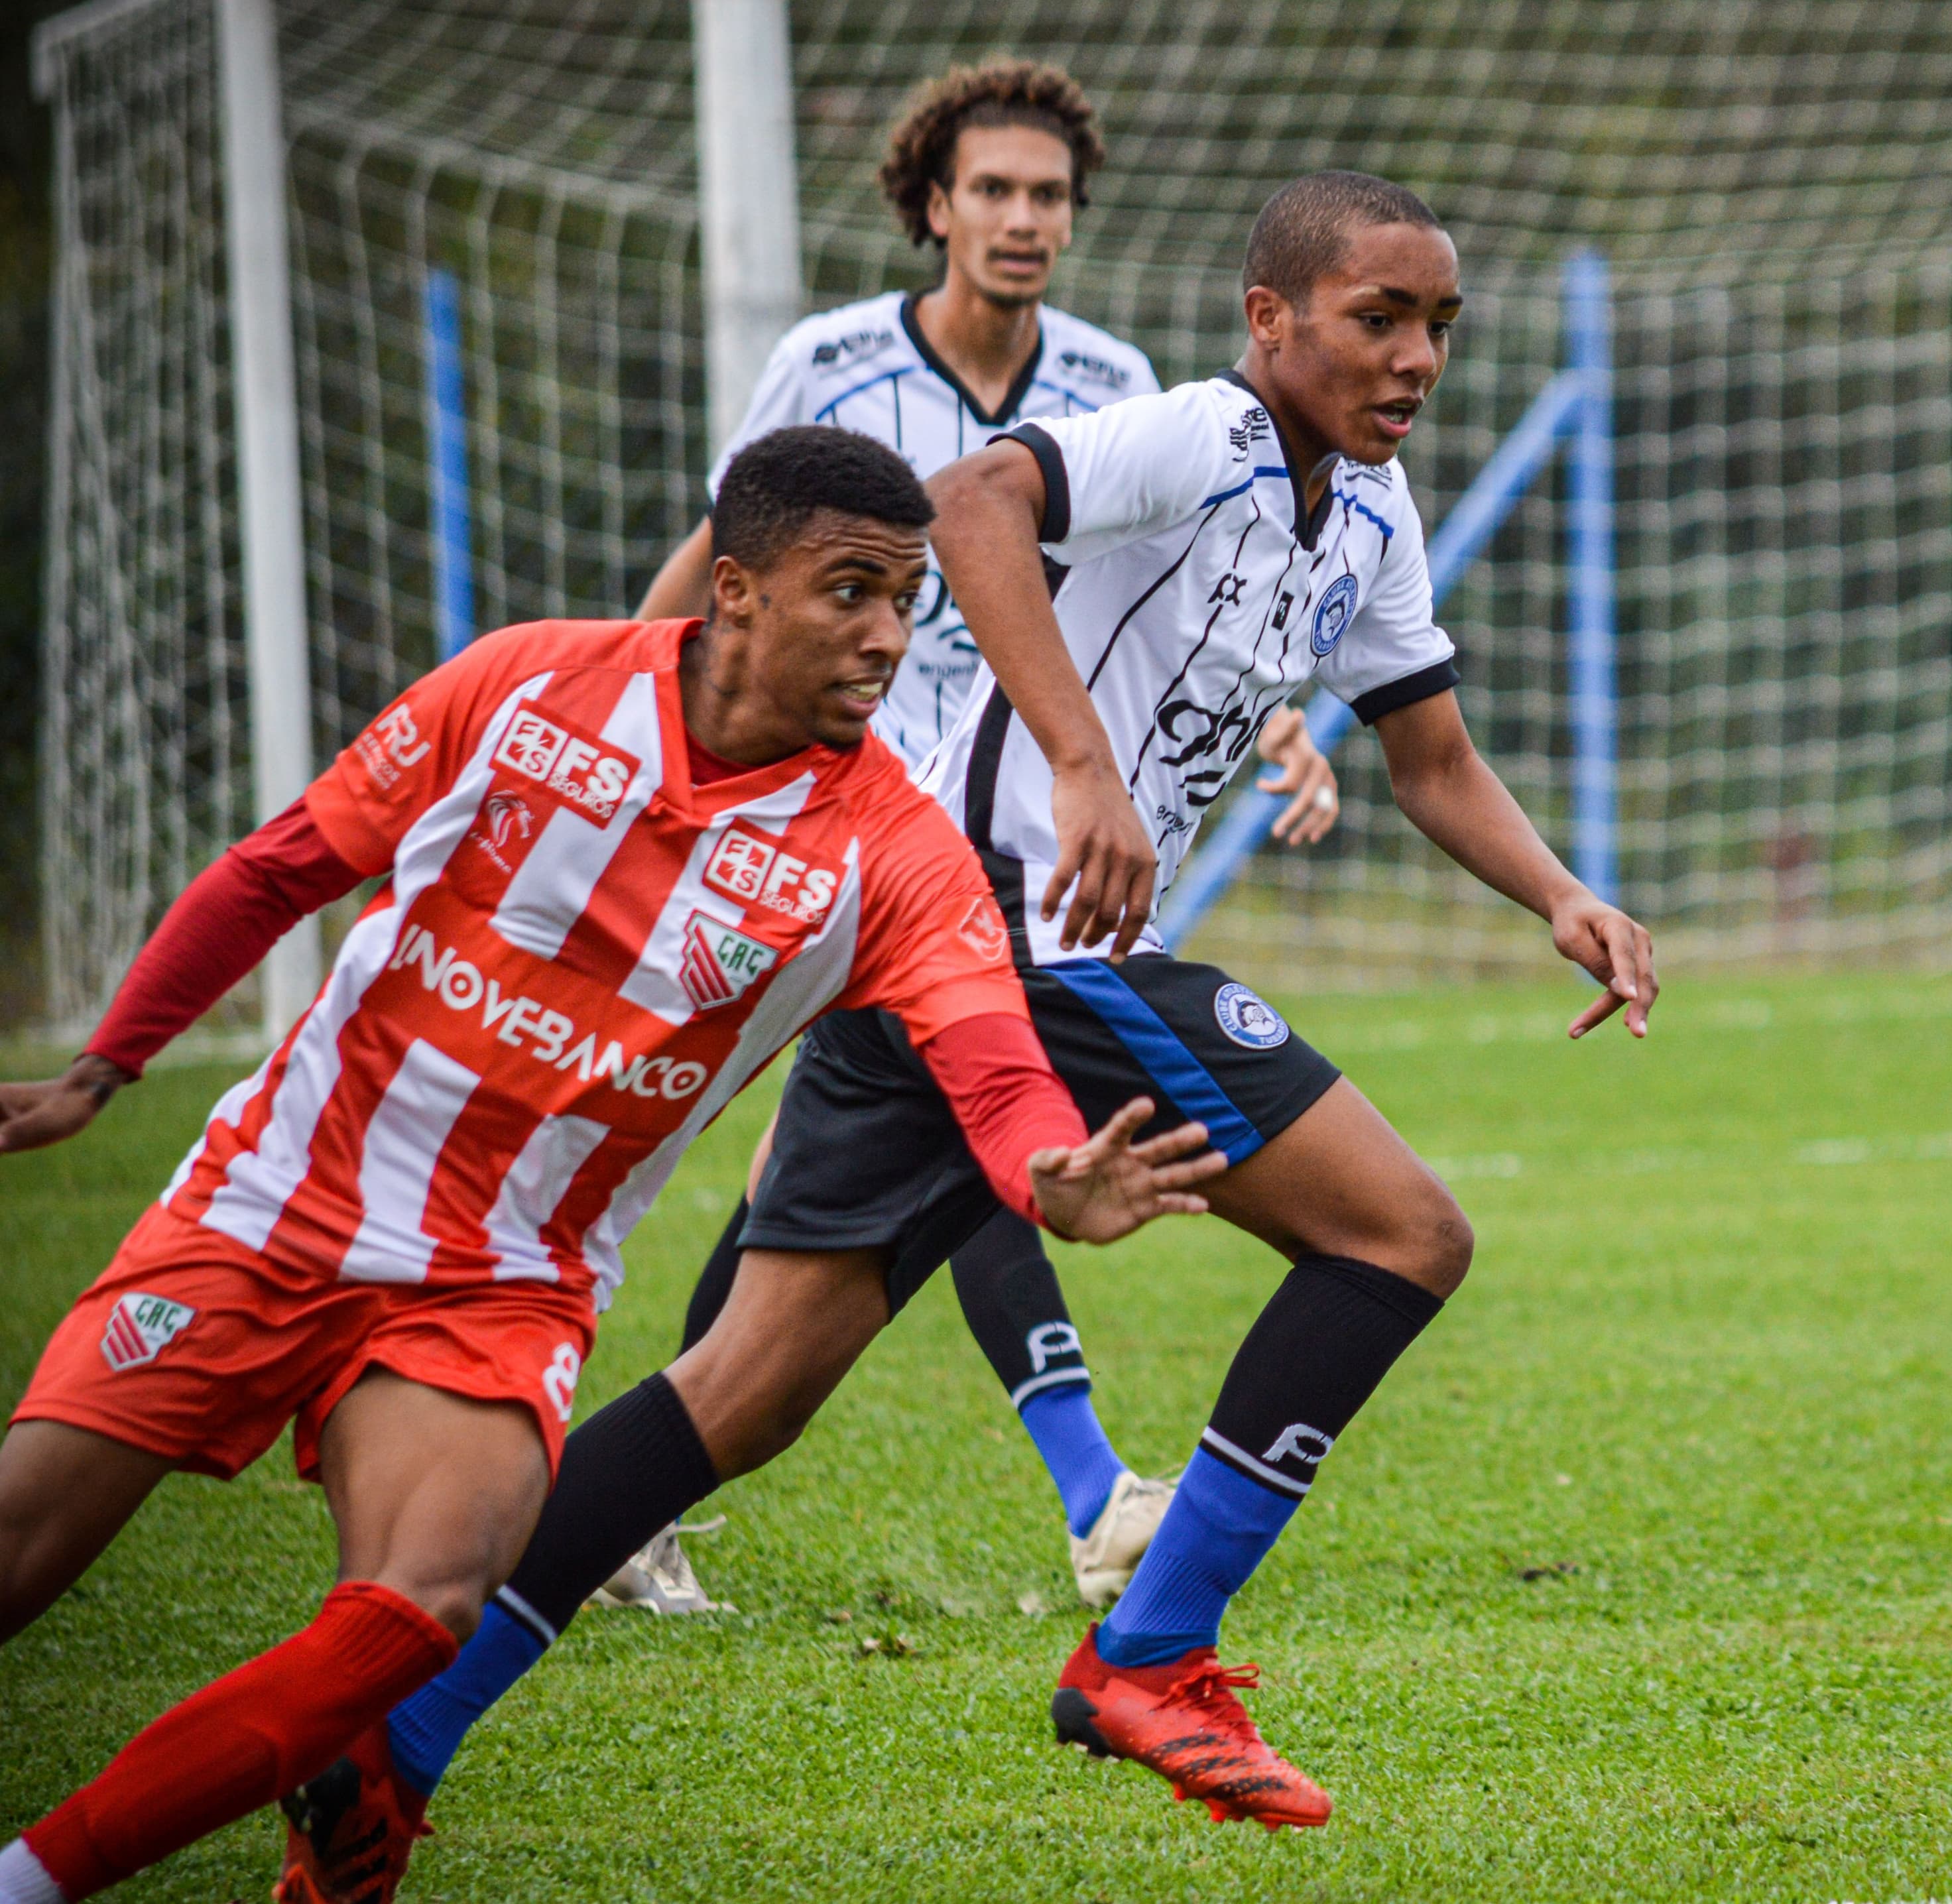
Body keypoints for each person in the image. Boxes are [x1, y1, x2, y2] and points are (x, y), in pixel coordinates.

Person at [342, 166, 1655, 1865]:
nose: (1417, 357)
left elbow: (1433, 757)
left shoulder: (1373, 516)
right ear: (1270, 319)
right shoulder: (1201, 434)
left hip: (926, 954)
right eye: (1379, 318)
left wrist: (1561, 895)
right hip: (1034, 940)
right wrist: (1082, 763)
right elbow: (971, 500)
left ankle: (391, 1738)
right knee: (1402, 1236)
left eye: (1439, 326)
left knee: (744, 1388)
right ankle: (1149, 1655)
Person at [0, 426, 1220, 1904]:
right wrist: (103, 1067)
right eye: (851, 592)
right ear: (735, 589)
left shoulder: (893, 852)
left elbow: (997, 1065)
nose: (890, 637)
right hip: (277, 1198)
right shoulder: (525, 683)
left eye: (908, 602)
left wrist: (1047, 1174)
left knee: (422, 1605)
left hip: (503, 1279)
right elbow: (285, 866)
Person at [606, 58, 1344, 1618]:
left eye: (1048, 195)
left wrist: (1272, 724)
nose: (1023, 218)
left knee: (890, 1135)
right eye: (993, 190)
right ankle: (1082, 1493)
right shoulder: (830, 362)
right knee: (844, 1116)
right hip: (831, 808)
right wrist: (619, 724)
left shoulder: (1113, 377)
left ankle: (625, 1499)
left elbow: (1193, 597)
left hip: (998, 846)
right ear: (933, 206)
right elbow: (721, 557)